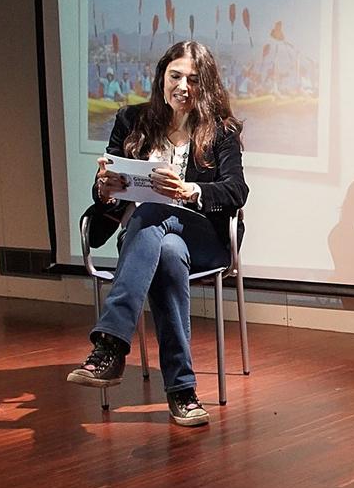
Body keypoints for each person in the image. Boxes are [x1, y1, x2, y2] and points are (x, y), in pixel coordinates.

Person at [67, 40, 248, 427]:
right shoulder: (131, 121)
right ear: (162, 78)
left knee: (153, 212)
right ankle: (182, 391)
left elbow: (236, 190)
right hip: (148, 239)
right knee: (165, 249)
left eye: (194, 79)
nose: (183, 86)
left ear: (207, 85)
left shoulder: (222, 131)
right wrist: (106, 188)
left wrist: (189, 190)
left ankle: (111, 344)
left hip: (204, 237)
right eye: (175, 76)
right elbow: (107, 195)